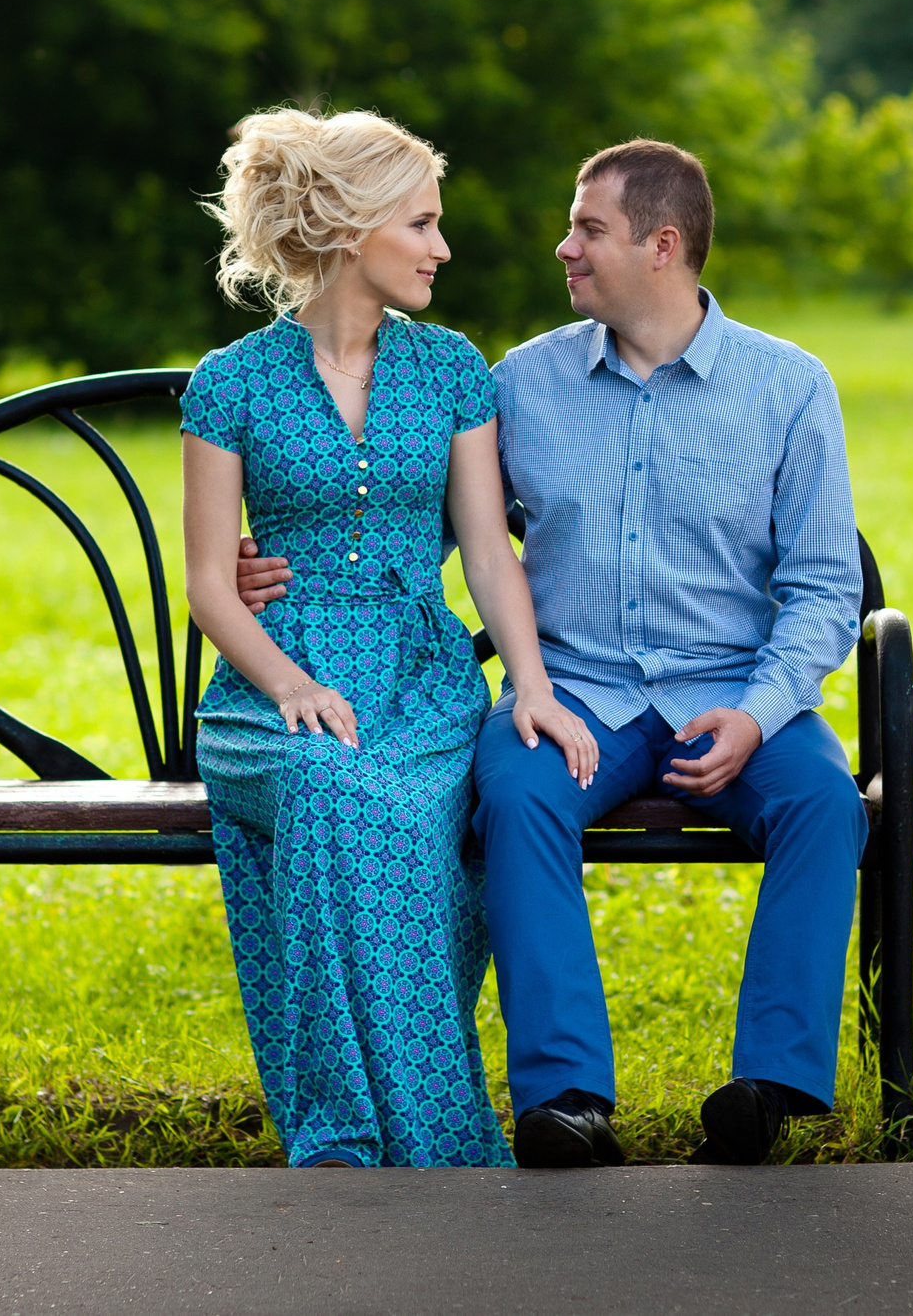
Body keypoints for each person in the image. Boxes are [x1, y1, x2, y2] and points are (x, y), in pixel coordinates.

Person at [237, 139, 867, 1169]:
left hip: (736, 696)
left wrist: (759, 711)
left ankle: (769, 1084)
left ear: (661, 246)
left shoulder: (787, 389)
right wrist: (266, 559)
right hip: (574, 698)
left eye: (588, 229)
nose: (561, 246)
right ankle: (567, 1098)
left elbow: (823, 590)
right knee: (517, 792)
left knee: (822, 801)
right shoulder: (520, 384)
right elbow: (405, 520)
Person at [180, 106, 589, 1170]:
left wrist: (531, 686)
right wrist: (285, 684)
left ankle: (397, 1129)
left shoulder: (452, 370)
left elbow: (491, 558)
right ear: (350, 224)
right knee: (325, 784)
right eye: (421, 223)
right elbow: (208, 588)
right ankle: (357, 1130)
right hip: (268, 694)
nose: (441, 248)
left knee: (395, 806)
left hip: (419, 685)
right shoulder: (229, 384)